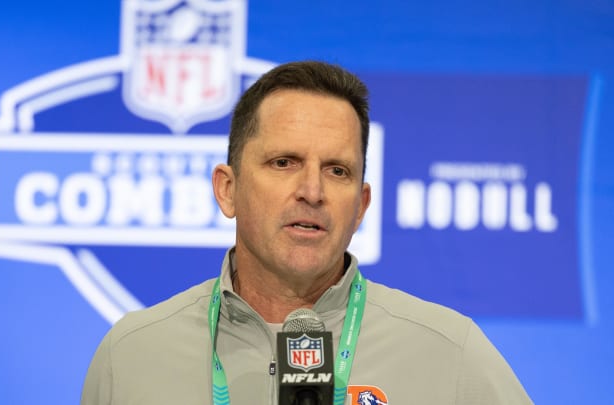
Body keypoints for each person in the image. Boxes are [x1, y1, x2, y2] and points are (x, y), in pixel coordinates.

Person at [81, 61, 533, 404]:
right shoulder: (132, 354)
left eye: (337, 170)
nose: (312, 191)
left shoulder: (451, 354)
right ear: (228, 189)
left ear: (360, 206)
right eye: (284, 163)